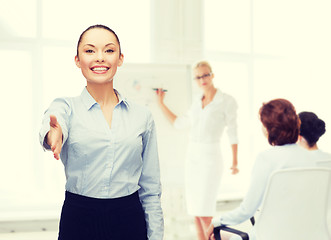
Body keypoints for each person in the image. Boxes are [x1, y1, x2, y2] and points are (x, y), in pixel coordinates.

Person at [39, 24, 164, 240]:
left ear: (120, 58)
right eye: (89, 51)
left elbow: (151, 187)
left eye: (109, 50)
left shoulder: (142, 116)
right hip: (79, 219)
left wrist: (155, 235)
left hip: (129, 218)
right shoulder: (66, 107)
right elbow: (54, 122)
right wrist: (54, 134)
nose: (100, 58)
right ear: (77, 60)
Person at [206, 98, 317, 240]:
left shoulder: (266, 159)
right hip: (305, 234)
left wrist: (216, 221)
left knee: (215, 235)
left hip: (270, 235)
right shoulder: (311, 160)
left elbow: (246, 210)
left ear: (269, 129)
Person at [156, 61, 239, 240]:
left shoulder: (226, 101)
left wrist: (235, 161)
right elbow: (179, 123)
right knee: (195, 210)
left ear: (212, 75)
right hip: (193, 157)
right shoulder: (196, 101)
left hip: (210, 158)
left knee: (204, 211)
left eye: (205, 75)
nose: (202, 79)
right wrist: (161, 103)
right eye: (198, 77)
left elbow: (233, 132)